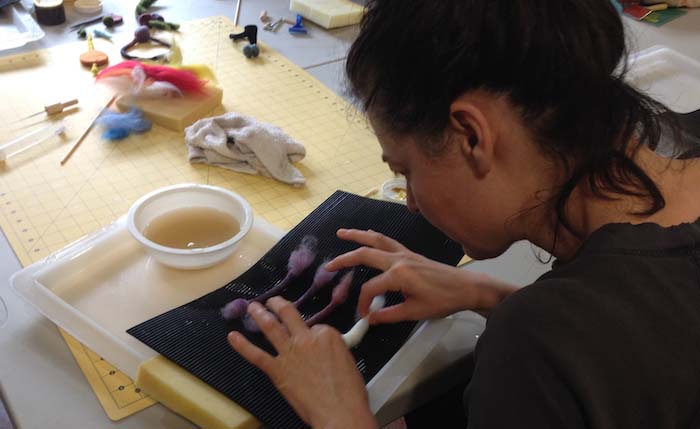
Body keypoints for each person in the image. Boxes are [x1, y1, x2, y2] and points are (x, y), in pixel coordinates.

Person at [226, 0, 700, 427]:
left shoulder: (538, 348)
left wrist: (341, 416)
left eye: (406, 169)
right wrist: (488, 292)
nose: (410, 201)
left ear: (472, 136)